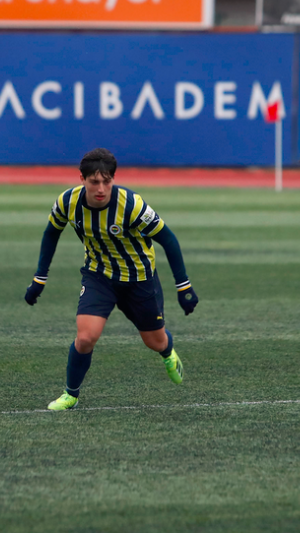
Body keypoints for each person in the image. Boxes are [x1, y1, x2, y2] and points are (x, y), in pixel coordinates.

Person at [24, 148, 199, 411]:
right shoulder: (67, 202)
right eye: (94, 182)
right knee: (85, 337)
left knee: (155, 341)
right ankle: (71, 394)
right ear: (81, 179)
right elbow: (51, 233)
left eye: (107, 181)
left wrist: (183, 285)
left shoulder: (131, 204)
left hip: (139, 279)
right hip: (99, 276)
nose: (101, 189)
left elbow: (168, 239)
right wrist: (40, 278)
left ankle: (167, 352)